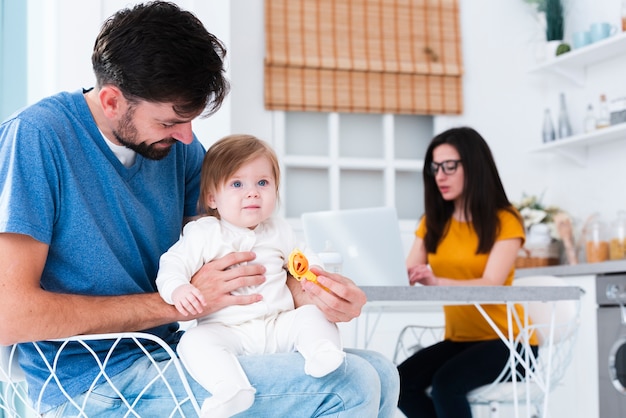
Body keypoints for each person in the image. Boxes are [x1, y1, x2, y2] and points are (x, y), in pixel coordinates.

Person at [0, 2, 399, 417]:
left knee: (382, 372)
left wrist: (314, 295)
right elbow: (8, 314)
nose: (188, 138)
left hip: (164, 356)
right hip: (93, 386)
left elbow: (235, 254)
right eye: (171, 121)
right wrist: (175, 305)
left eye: (191, 120)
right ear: (112, 100)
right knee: (350, 386)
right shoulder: (36, 139)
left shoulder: (176, 150)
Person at [156, 134, 345, 417]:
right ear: (212, 198)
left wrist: (315, 277)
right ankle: (230, 388)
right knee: (193, 342)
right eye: (237, 184)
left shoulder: (279, 230)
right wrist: (179, 290)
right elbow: (172, 265)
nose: (253, 192)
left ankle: (321, 352)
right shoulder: (204, 233)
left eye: (263, 183)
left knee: (312, 316)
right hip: (227, 331)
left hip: (278, 324)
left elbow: (304, 259)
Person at [396, 127, 538, 418]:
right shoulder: (433, 222)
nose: (440, 176)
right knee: (400, 383)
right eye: (435, 168)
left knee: (446, 385)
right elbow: (409, 271)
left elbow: (491, 283)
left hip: (512, 342)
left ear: (474, 166)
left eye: (450, 166)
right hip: (461, 340)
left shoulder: (505, 219)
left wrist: (435, 281)